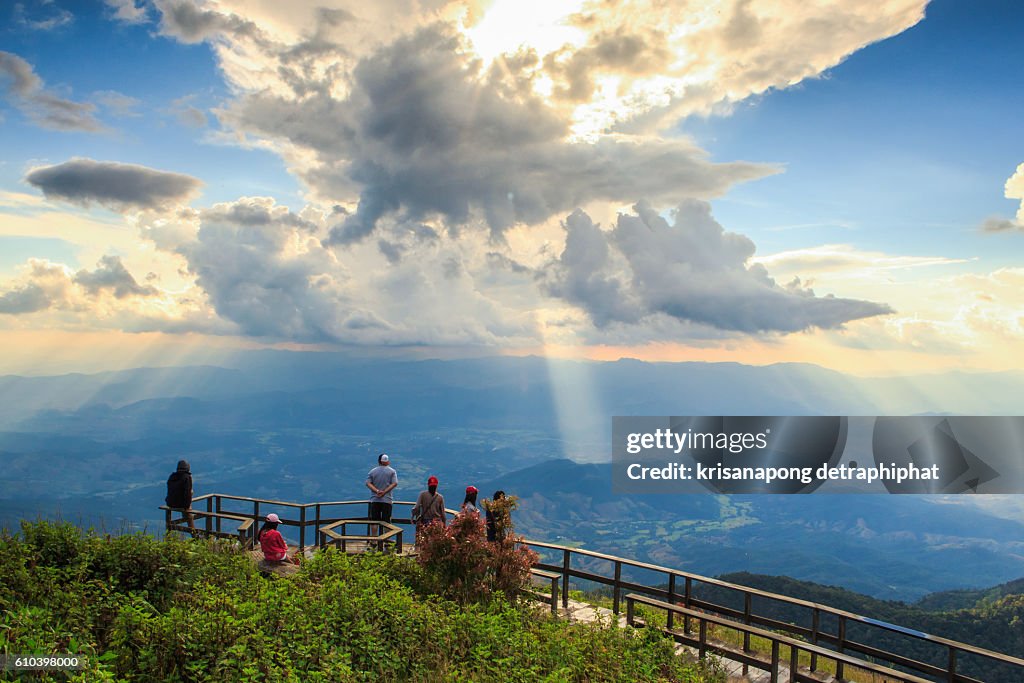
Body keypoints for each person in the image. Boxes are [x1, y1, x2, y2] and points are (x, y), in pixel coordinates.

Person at [365, 453, 398, 538]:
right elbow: (395, 483)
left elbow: (368, 483)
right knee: (386, 522)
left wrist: (377, 491)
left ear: (379, 461)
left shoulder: (373, 471)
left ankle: (374, 540)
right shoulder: (392, 472)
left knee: (374, 521)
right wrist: (384, 492)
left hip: (375, 500)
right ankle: (386, 541)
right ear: (387, 461)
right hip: (387, 500)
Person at [412, 475, 447, 542]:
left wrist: (413, 516)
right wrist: (444, 524)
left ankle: (424, 551)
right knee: (436, 540)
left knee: (426, 540)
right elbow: (442, 513)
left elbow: (416, 507)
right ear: (436, 486)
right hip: (437, 522)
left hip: (426, 521)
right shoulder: (440, 497)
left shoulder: (422, 494)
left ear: (428, 485)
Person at [165, 459, 196, 535]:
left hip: (170, 503)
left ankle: (193, 533)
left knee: (187, 516)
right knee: (189, 515)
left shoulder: (172, 476)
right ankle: (193, 533)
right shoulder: (187, 477)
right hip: (182, 504)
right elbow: (187, 493)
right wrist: (187, 506)